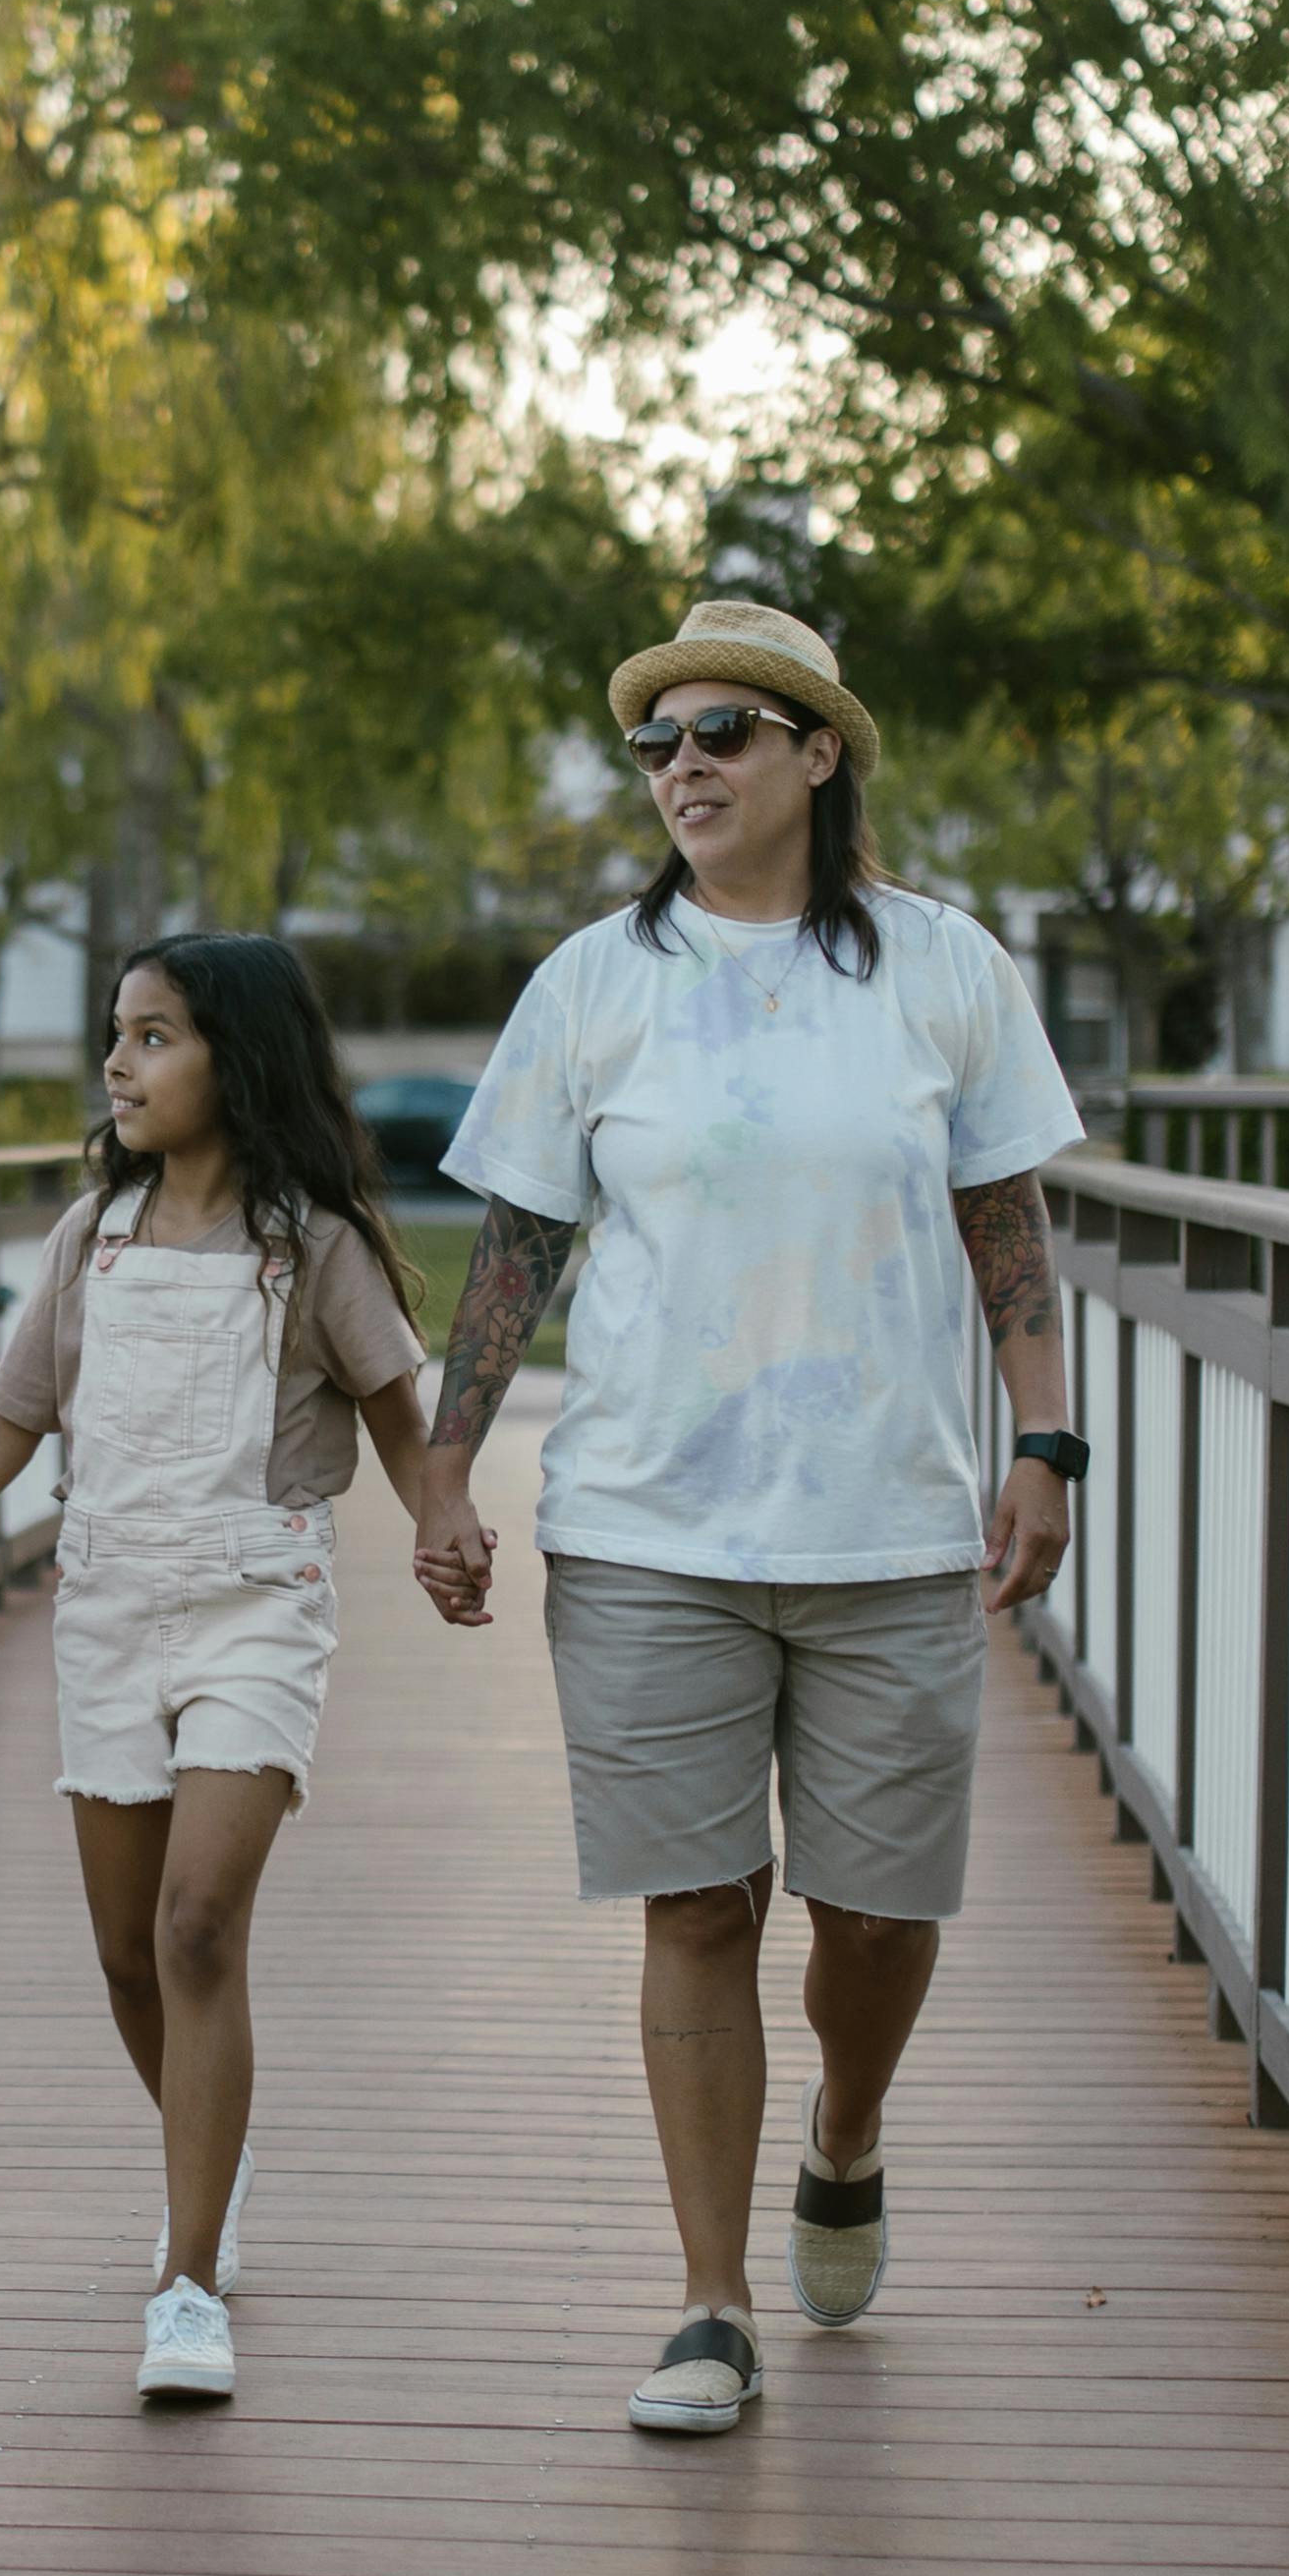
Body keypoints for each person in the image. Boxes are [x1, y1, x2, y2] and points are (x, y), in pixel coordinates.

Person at [402, 601, 1086, 2436]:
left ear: (815, 752)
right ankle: (708, 2301)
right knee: (698, 1904)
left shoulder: (941, 971)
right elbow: (517, 1243)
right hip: (644, 1522)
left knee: (873, 1910)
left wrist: (1050, 1442)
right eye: (655, 743)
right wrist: (447, 1460)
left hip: (886, 1523)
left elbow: (1005, 1226)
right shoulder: (593, 983)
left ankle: (844, 2130)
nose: (680, 766)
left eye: (720, 732)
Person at [0, 936, 459, 2404]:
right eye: (116, 1034)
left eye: (155, 1036)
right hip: (106, 1608)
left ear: (236, 1059)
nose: (118, 1063)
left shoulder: (316, 1245)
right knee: (124, 1954)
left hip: (256, 1604)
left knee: (193, 1928)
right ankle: (207, 2164)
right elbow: (6, 1427)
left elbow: (395, 1417)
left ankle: (185, 2281)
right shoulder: (88, 1237)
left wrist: (447, 1524)